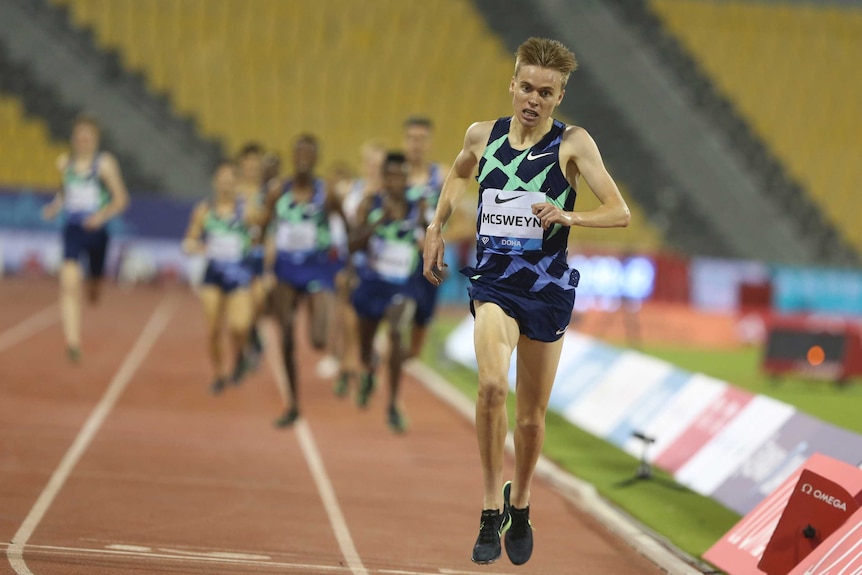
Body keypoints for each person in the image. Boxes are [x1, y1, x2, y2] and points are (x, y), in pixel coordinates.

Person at [423, 37, 631, 565]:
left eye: (546, 91)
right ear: (511, 85)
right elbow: (458, 172)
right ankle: (490, 507)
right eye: (526, 87)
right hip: (494, 285)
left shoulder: (573, 144)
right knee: (492, 386)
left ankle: (521, 500)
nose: (533, 99)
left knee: (532, 421)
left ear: (558, 96)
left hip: (547, 290)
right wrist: (435, 225)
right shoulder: (483, 135)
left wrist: (569, 216)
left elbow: (619, 211)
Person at [261, 134, 347, 428]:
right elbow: (263, 226)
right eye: (298, 153)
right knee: (284, 334)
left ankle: (317, 317)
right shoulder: (278, 192)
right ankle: (293, 403)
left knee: (318, 339)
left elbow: (345, 227)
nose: (302, 159)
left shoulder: (327, 194)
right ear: (292, 155)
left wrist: (345, 265)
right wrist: (264, 263)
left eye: (309, 154)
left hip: (317, 268)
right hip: (285, 268)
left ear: (316, 159)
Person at [41, 114, 129, 363]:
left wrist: (101, 216)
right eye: (80, 137)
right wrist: (55, 207)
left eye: (88, 138)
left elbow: (121, 199)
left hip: (97, 233)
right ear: (73, 139)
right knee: (69, 285)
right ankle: (73, 343)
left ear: (96, 140)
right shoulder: (65, 164)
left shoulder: (105, 165)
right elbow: (64, 192)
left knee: (93, 286)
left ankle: (95, 285)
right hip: (73, 230)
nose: (83, 142)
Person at [350, 152, 425, 433]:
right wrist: (379, 220)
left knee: (396, 333)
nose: (395, 182)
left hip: (402, 284)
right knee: (366, 348)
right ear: (383, 178)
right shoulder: (370, 204)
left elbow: (430, 236)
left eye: (400, 177)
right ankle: (369, 370)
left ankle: (393, 402)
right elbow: (352, 244)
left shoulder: (418, 205)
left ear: (406, 178)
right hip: (371, 283)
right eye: (390, 176)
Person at [182, 160, 255, 394]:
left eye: (231, 181)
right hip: (213, 275)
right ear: (215, 183)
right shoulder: (204, 211)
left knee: (240, 325)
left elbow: (262, 235)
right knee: (214, 328)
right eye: (222, 181)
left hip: (240, 273)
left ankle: (241, 354)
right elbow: (190, 239)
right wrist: (194, 246)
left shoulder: (247, 211)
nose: (226, 186)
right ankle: (219, 373)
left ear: (237, 184)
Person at [331, 139, 387, 398]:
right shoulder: (350, 191)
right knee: (347, 311)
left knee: (370, 322)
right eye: (370, 162)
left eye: (379, 164)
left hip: (383, 265)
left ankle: (363, 363)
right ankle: (348, 362)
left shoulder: (392, 196)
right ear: (363, 164)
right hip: (353, 260)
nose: (374, 168)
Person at [402, 117, 448, 359]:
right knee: (393, 311)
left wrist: (438, 240)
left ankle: (411, 358)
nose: (415, 145)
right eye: (411, 139)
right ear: (404, 141)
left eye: (421, 139)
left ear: (429, 142)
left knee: (422, 314)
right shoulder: (395, 175)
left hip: (426, 257)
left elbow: (463, 219)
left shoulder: (440, 176)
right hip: (398, 253)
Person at [235, 142, 267, 370]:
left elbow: (269, 221)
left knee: (259, 301)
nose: (252, 170)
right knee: (240, 311)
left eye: (256, 166)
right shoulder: (234, 191)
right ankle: (244, 352)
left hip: (260, 254)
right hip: (238, 255)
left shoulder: (268, 192)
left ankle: (254, 332)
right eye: (248, 165)